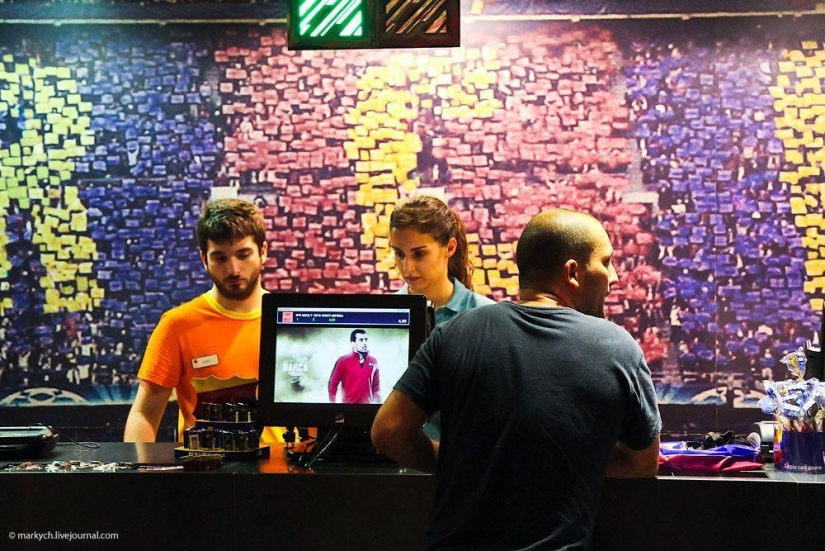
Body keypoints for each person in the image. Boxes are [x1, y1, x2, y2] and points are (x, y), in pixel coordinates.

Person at [372, 208, 661, 550]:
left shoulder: (453, 333)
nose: (614, 277)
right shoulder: (617, 347)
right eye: (607, 262)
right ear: (572, 272)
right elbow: (642, 463)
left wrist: (452, 460)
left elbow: (388, 431)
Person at [124, 198, 278, 443]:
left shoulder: (289, 321)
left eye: (243, 254)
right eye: (220, 258)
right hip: (206, 465)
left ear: (263, 252)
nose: (234, 269)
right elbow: (144, 414)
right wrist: (136, 465)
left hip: (289, 465)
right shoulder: (177, 325)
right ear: (204, 259)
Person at [389, 195, 495, 440]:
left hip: (460, 455)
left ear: (449, 248)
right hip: (388, 455)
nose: (407, 268)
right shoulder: (384, 312)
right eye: (399, 254)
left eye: (419, 254)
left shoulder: (486, 316)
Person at [328, 329, 380, 404]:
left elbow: (376, 388)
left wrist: (378, 406)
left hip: (368, 408)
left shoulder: (373, 361)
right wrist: (332, 404)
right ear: (353, 344)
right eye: (361, 340)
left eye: (366, 340)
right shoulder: (342, 361)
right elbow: (333, 383)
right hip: (348, 407)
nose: (365, 343)